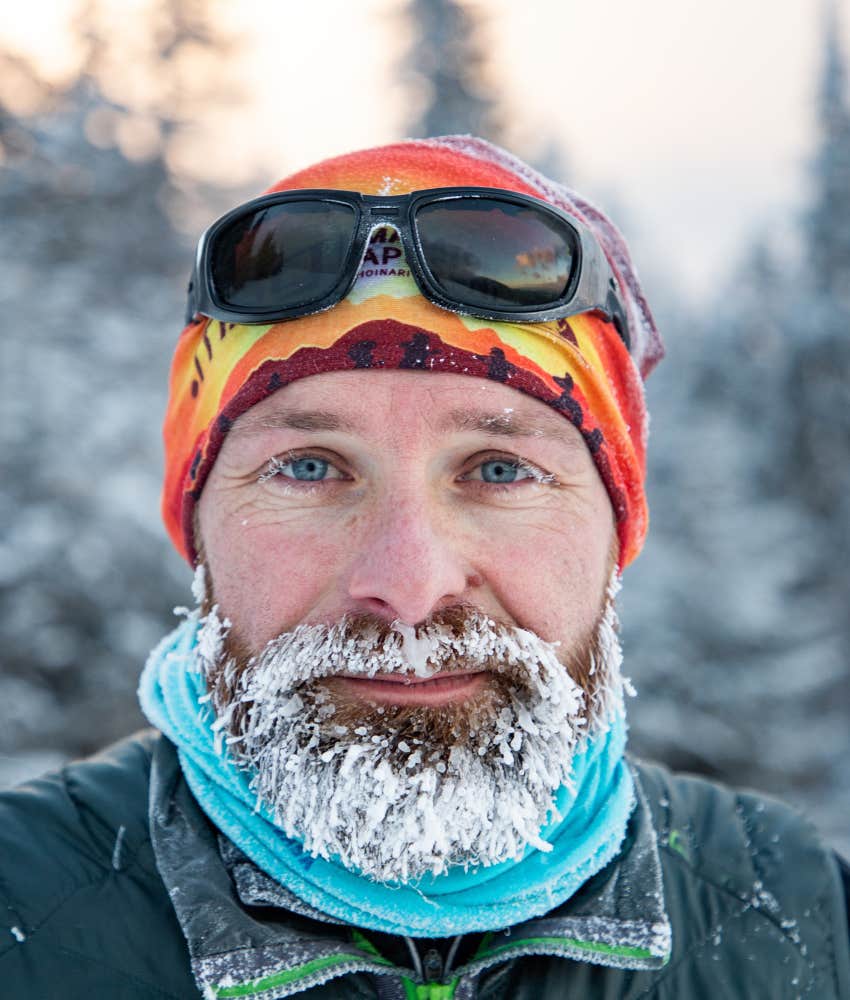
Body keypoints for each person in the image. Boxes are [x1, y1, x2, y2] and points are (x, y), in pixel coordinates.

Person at [1, 136, 848, 1000]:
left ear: (616, 530)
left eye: (499, 470)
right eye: (309, 467)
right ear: (198, 525)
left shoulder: (808, 925)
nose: (408, 588)